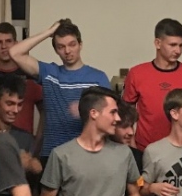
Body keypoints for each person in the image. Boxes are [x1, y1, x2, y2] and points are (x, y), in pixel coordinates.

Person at [9, 18, 111, 159]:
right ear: (56, 50)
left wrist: (84, 111)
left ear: (80, 45)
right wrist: (49, 32)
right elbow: (14, 52)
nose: (67, 51)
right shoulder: (49, 72)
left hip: (86, 156)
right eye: (61, 47)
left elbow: (109, 118)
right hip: (52, 154)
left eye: (72, 44)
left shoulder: (98, 77)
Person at [122, 18, 182, 152]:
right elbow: (127, 111)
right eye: (172, 45)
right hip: (144, 148)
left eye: (181, 45)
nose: (178, 50)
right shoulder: (137, 73)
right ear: (158, 43)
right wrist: (131, 143)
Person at [0, 21, 44, 139]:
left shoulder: (30, 76)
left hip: (24, 142)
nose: (4, 46)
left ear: (16, 44)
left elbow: (46, 111)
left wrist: (38, 141)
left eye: (8, 41)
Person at [0, 73, 43, 176]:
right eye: (10, 104)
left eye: (20, 104)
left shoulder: (26, 139)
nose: (15, 110)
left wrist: (33, 166)